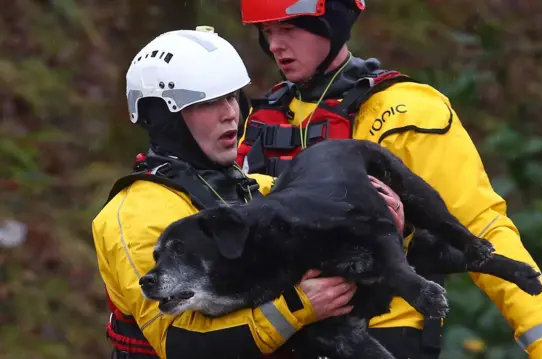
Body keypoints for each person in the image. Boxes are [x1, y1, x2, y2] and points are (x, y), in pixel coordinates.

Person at [236, 1, 542, 358]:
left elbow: (483, 227)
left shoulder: (407, 111)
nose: (276, 45)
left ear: (333, 22)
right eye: (267, 32)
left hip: (384, 332)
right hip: (280, 335)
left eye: (289, 29)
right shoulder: (261, 118)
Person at [91, 27, 406, 359]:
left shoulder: (260, 188)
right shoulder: (137, 213)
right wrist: (298, 306)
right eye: (209, 103)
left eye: (231, 97)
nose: (230, 114)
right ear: (166, 117)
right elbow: (182, 344)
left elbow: (345, 285)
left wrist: (385, 229)